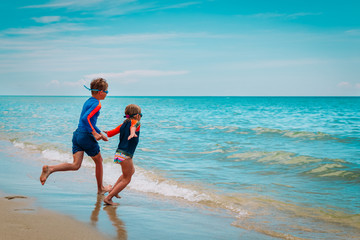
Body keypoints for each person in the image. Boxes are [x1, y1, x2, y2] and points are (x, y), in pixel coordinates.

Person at [40, 78, 111, 194]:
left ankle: (50, 169)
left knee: (76, 165)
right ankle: (101, 189)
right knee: (99, 161)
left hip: (78, 135)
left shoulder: (88, 101)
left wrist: (100, 133)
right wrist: (93, 133)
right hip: (86, 136)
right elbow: (85, 119)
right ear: (100, 92)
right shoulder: (97, 104)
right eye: (106, 91)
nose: (107, 94)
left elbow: (88, 121)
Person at [103, 104, 142, 205]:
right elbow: (134, 127)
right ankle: (109, 198)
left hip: (119, 153)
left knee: (130, 172)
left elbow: (111, 133)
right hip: (126, 155)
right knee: (127, 179)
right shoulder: (136, 122)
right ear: (137, 115)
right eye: (141, 115)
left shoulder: (123, 124)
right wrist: (132, 133)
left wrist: (107, 132)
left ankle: (113, 191)